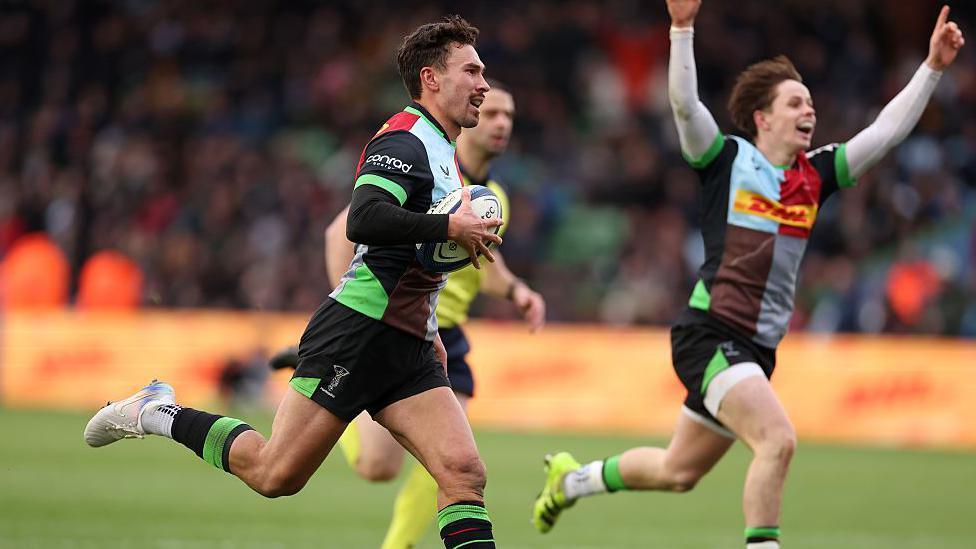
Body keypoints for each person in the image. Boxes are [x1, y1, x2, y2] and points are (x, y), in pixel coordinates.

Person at [531, 2, 964, 548]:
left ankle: (571, 481)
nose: (809, 111)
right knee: (777, 440)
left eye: (810, 103)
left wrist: (932, 68)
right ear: (763, 118)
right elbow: (684, 105)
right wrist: (682, 29)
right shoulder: (726, 160)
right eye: (795, 103)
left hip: (756, 349)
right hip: (711, 334)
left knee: (677, 471)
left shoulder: (816, 175)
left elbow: (886, 131)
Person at [84, 16, 505, 549]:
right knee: (273, 473)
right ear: (432, 78)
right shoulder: (405, 139)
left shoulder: (445, 154)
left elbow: (412, 263)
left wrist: (431, 329)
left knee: (463, 472)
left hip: (410, 342)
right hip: (358, 331)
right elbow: (364, 219)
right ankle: (155, 411)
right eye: (472, 71)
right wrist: (449, 227)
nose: (483, 84)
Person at [271, 82, 546, 549]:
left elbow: (485, 259)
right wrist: (351, 310)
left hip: (443, 332)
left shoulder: (492, 194)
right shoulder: (428, 169)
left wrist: (516, 290)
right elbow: (343, 230)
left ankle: (395, 545)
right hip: (384, 324)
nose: (501, 123)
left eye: (509, 116)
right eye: (493, 113)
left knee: (455, 464)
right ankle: (328, 379)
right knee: (376, 467)